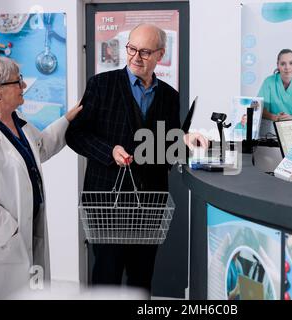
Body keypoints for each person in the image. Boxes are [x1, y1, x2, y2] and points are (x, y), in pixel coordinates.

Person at [65, 24, 207, 293]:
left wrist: (184, 141)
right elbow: (76, 134)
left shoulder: (169, 96)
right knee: (106, 279)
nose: (135, 57)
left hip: (149, 202)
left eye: (144, 51)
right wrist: (110, 151)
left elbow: (166, 151)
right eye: (131, 49)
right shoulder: (101, 85)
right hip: (107, 201)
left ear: (160, 55)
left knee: (141, 280)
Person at [0, 56, 82, 299]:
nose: (23, 86)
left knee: (33, 291)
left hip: (30, 231)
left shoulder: (20, 124)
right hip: (4, 243)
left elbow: (42, 147)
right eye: (17, 81)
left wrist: (68, 118)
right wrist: (9, 230)